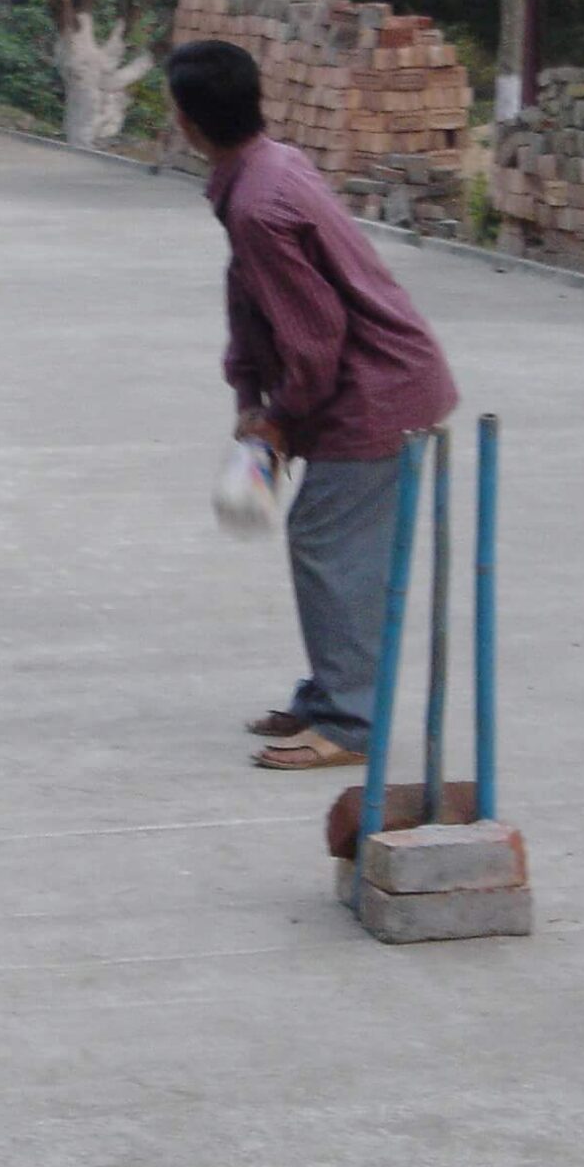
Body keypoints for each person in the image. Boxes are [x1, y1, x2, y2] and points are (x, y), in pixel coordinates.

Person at [167, 39, 459, 772]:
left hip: (378, 390)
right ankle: (331, 692)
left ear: (186, 122)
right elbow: (256, 307)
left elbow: (316, 338)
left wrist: (280, 417)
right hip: (367, 382)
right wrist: (252, 397)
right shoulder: (269, 165)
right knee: (328, 543)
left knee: (331, 546)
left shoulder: (261, 204)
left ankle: (350, 722)